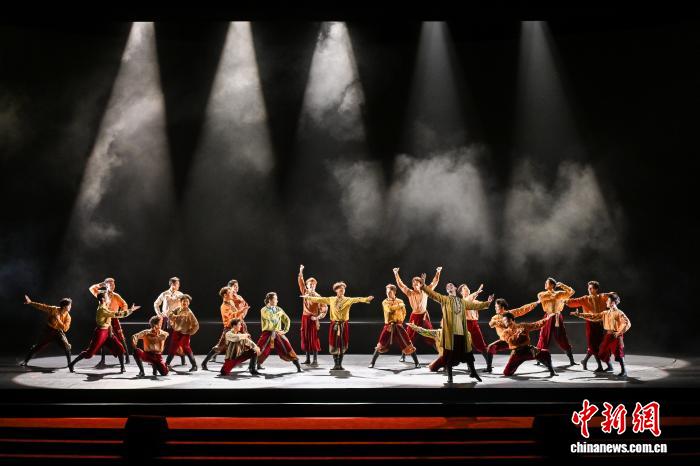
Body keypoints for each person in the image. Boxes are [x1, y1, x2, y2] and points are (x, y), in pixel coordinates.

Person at [420, 274, 494, 384]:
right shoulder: (444, 299)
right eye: (447, 286)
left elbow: (475, 306)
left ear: (455, 288)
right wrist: (423, 286)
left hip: (461, 332)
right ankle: (450, 377)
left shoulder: (462, 301)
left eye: (450, 285)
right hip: (451, 334)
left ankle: (473, 372)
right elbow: (433, 294)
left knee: (468, 353)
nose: (448, 287)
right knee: (449, 355)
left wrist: (488, 303)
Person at [302, 282, 373, 371]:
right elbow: (320, 299)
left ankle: (340, 364)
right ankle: (336, 364)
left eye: (343, 289)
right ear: (336, 290)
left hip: (343, 325)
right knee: (334, 343)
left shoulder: (347, 300)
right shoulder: (331, 299)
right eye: (340, 289)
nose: (342, 291)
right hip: (334, 325)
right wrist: (308, 297)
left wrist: (366, 299)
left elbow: (357, 299)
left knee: (342, 343)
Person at [68, 292, 138, 373]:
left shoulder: (105, 306)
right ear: (103, 299)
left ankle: (122, 367)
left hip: (107, 332)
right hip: (100, 333)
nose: (109, 298)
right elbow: (116, 314)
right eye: (107, 297)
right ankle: (71, 364)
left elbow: (109, 319)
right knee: (89, 354)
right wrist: (130, 310)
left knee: (119, 347)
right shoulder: (102, 309)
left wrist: (110, 330)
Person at [571, 292, 631, 377]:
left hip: (616, 335)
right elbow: (594, 316)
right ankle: (610, 367)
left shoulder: (619, 313)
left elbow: (626, 323)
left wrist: (618, 332)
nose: (606, 302)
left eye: (608, 301)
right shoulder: (606, 313)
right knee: (602, 351)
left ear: (613, 302)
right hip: (608, 335)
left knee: (618, 352)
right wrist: (580, 314)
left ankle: (624, 371)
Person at [393, 267, 442, 360]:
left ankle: (441, 354)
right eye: (414, 283)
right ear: (412, 285)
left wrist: (438, 272)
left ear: (420, 284)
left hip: (423, 316)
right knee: (409, 336)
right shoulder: (410, 292)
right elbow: (400, 284)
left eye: (417, 283)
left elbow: (435, 282)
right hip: (414, 316)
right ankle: (403, 355)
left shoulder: (426, 291)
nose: (415, 285)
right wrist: (396, 273)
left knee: (430, 335)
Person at [564, 281, 614, 370]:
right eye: (588, 288)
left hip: (600, 324)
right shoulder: (585, 298)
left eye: (591, 288)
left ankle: (586, 361)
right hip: (590, 324)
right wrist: (562, 299)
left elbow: (613, 296)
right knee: (593, 345)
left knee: (600, 345)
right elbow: (572, 302)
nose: (589, 290)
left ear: (596, 289)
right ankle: (600, 366)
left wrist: (611, 294)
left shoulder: (602, 297)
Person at [369, 284, 419, 368]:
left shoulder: (400, 300)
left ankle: (417, 363)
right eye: (387, 291)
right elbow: (389, 309)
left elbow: (404, 312)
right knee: (381, 343)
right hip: (389, 326)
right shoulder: (385, 302)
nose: (388, 293)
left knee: (408, 342)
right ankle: (372, 362)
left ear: (394, 292)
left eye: (390, 292)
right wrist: (399, 305)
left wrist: (400, 320)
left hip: (399, 326)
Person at [485, 298, 539, 372]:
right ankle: (489, 368)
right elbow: (491, 324)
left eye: (497, 307)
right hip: (504, 340)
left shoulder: (510, 313)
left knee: (524, 352)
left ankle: (534, 351)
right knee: (490, 347)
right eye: (495, 307)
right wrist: (498, 321)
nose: (495, 308)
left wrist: (536, 303)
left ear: (502, 307)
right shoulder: (495, 317)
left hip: (514, 339)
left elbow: (522, 309)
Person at [88, 278, 133, 365]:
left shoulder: (116, 296)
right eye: (110, 284)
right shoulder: (102, 294)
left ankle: (127, 356)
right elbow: (91, 289)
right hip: (105, 319)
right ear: (106, 285)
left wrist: (121, 313)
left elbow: (124, 304)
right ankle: (103, 360)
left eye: (113, 284)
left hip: (113, 318)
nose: (113, 286)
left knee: (121, 337)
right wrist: (101, 284)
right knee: (103, 338)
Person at [20, 294, 72, 367]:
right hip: (48, 331)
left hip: (58, 333)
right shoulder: (54, 309)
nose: (70, 307)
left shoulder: (68, 317)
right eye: (69, 305)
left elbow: (65, 329)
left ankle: (70, 364)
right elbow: (42, 307)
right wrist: (31, 302)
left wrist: (58, 320)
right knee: (38, 346)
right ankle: (25, 361)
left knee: (67, 347)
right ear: (64, 306)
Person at [255, 292, 302, 373]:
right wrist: (278, 314)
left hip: (277, 333)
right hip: (267, 333)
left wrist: (285, 330)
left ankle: (298, 366)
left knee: (287, 347)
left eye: (276, 299)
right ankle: (255, 366)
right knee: (260, 349)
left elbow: (287, 319)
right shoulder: (264, 310)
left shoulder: (279, 309)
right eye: (275, 299)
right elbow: (270, 317)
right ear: (270, 300)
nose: (277, 300)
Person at [499, 312, 558, 377]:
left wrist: (546, 319)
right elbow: (510, 342)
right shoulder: (505, 332)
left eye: (506, 320)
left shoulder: (523, 326)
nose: (504, 322)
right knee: (507, 373)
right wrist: (517, 334)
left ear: (511, 319)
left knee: (546, 353)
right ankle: (538, 358)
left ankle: (552, 371)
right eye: (503, 320)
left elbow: (535, 325)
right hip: (517, 354)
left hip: (528, 350)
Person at [535, 277, 577, 366]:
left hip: (558, 316)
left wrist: (562, 285)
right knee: (544, 336)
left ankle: (571, 360)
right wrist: (556, 295)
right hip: (548, 316)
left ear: (552, 285)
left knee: (562, 336)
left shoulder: (559, 294)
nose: (545, 284)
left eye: (547, 283)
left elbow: (572, 292)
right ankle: (539, 359)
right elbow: (541, 297)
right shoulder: (542, 294)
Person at [298, 264, 328, 366]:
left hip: (313, 319)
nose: (311, 286)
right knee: (305, 337)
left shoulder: (318, 297)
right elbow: (301, 282)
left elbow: (324, 309)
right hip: (305, 318)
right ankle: (307, 359)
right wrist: (301, 271)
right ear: (307, 286)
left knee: (314, 338)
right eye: (310, 285)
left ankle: (315, 360)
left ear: (315, 286)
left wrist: (317, 317)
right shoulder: (305, 292)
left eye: (313, 285)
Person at [153, 277, 186, 366]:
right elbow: (156, 304)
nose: (178, 285)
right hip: (166, 319)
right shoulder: (164, 294)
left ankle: (182, 357)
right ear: (172, 284)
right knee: (162, 337)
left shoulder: (180, 294)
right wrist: (159, 313)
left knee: (176, 338)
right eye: (177, 284)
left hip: (176, 320)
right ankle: (157, 357)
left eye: (178, 284)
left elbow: (184, 306)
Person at [202, 286, 236, 370]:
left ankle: (231, 365)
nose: (232, 293)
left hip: (234, 328)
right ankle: (204, 363)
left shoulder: (231, 302)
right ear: (225, 295)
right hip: (228, 329)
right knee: (219, 347)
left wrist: (241, 311)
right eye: (229, 292)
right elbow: (229, 320)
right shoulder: (223, 306)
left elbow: (236, 313)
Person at [457, 283, 491, 368]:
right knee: (467, 345)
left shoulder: (474, 301)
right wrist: (477, 292)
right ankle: (469, 366)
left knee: (481, 344)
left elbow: (483, 305)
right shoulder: (461, 301)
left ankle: (489, 364)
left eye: (467, 288)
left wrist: (488, 301)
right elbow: (468, 300)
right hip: (466, 324)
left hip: (474, 324)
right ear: (461, 292)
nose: (467, 289)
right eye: (465, 289)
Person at [164, 294, 199, 372]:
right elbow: (170, 315)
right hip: (177, 332)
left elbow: (196, 325)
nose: (185, 303)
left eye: (186, 301)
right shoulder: (177, 309)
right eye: (183, 301)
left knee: (186, 348)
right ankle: (166, 364)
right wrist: (176, 317)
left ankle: (194, 365)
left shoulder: (189, 313)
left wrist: (191, 332)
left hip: (185, 333)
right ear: (180, 302)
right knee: (173, 347)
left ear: (188, 303)